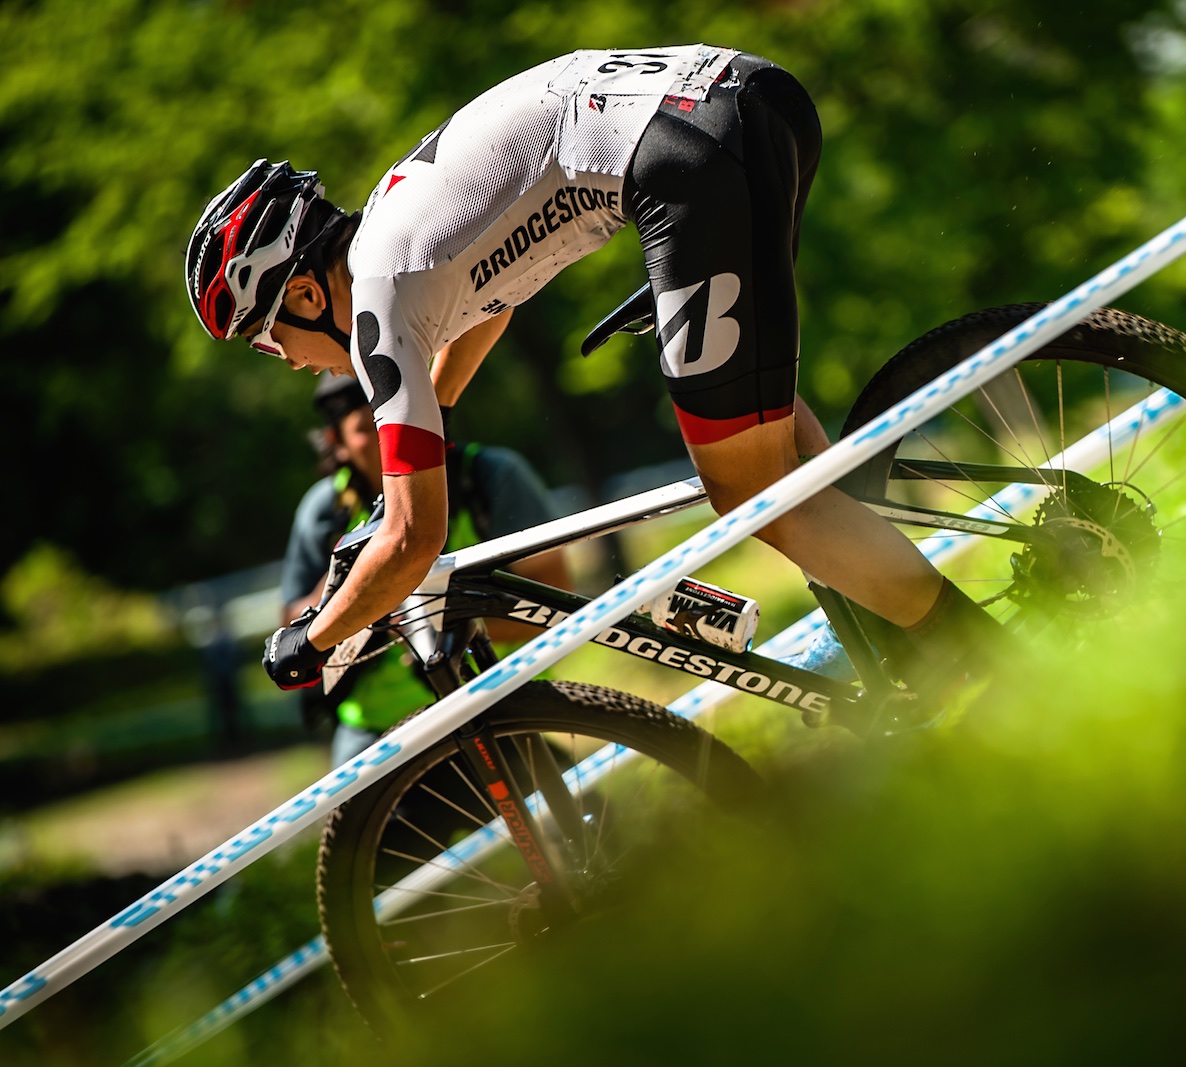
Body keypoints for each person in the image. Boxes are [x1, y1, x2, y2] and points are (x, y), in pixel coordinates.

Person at [185, 45, 997, 695]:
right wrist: (435, 416)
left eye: (266, 338)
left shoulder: (378, 297)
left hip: (690, 156)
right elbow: (493, 302)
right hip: (747, 95)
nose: (287, 361)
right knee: (774, 453)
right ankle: (899, 631)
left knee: (751, 491)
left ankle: (992, 662)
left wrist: (310, 638)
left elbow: (412, 538)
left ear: (302, 292)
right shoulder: (398, 236)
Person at [283, 371, 570, 765]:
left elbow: (557, 605)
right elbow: (291, 625)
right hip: (380, 730)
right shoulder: (324, 512)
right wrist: (350, 585)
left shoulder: (490, 476)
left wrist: (440, 626)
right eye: (368, 427)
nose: (387, 437)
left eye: (393, 419)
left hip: (501, 704)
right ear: (337, 442)